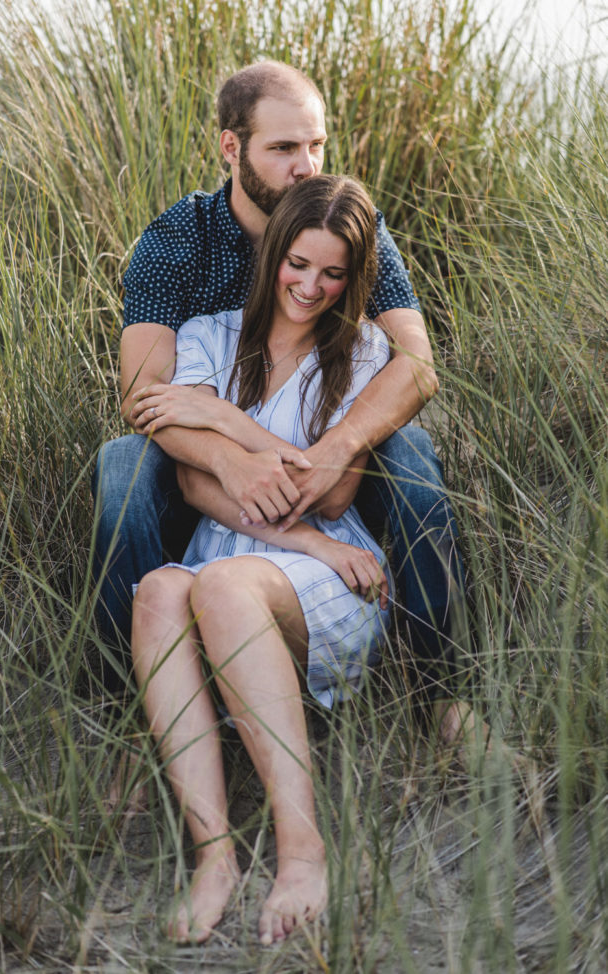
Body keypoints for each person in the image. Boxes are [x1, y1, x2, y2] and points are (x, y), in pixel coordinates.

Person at [92, 60, 466, 725]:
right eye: (285, 147)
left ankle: (441, 699)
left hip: (327, 467)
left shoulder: (349, 225)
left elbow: (415, 362)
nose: (307, 165)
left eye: (317, 144)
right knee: (123, 465)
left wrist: (340, 446)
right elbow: (145, 397)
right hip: (202, 473)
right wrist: (232, 459)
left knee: (409, 451)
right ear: (232, 148)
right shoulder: (178, 242)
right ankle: (130, 716)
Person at [130, 174, 393, 945]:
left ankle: (302, 851)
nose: (312, 286)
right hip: (254, 553)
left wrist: (217, 416)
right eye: (298, 264)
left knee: (223, 586)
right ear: (274, 252)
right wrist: (289, 507)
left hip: (329, 577)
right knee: (158, 591)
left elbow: (333, 494)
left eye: (334, 272)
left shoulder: (363, 350)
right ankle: (214, 857)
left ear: (353, 277)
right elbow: (190, 478)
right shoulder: (209, 335)